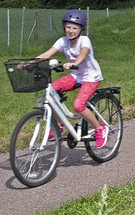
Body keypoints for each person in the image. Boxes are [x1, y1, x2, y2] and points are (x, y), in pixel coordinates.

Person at [33, 9, 108, 148]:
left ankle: (100, 129)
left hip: (91, 77)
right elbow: (47, 54)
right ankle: (59, 126)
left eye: (75, 28)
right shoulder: (63, 41)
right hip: (76, 76)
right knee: (49, 91)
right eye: (68, 27)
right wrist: (28, 63)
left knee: (78, 105)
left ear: (81, 29)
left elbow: (84, 53)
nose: (71, 30)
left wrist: (75, 63)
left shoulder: (84, 40)